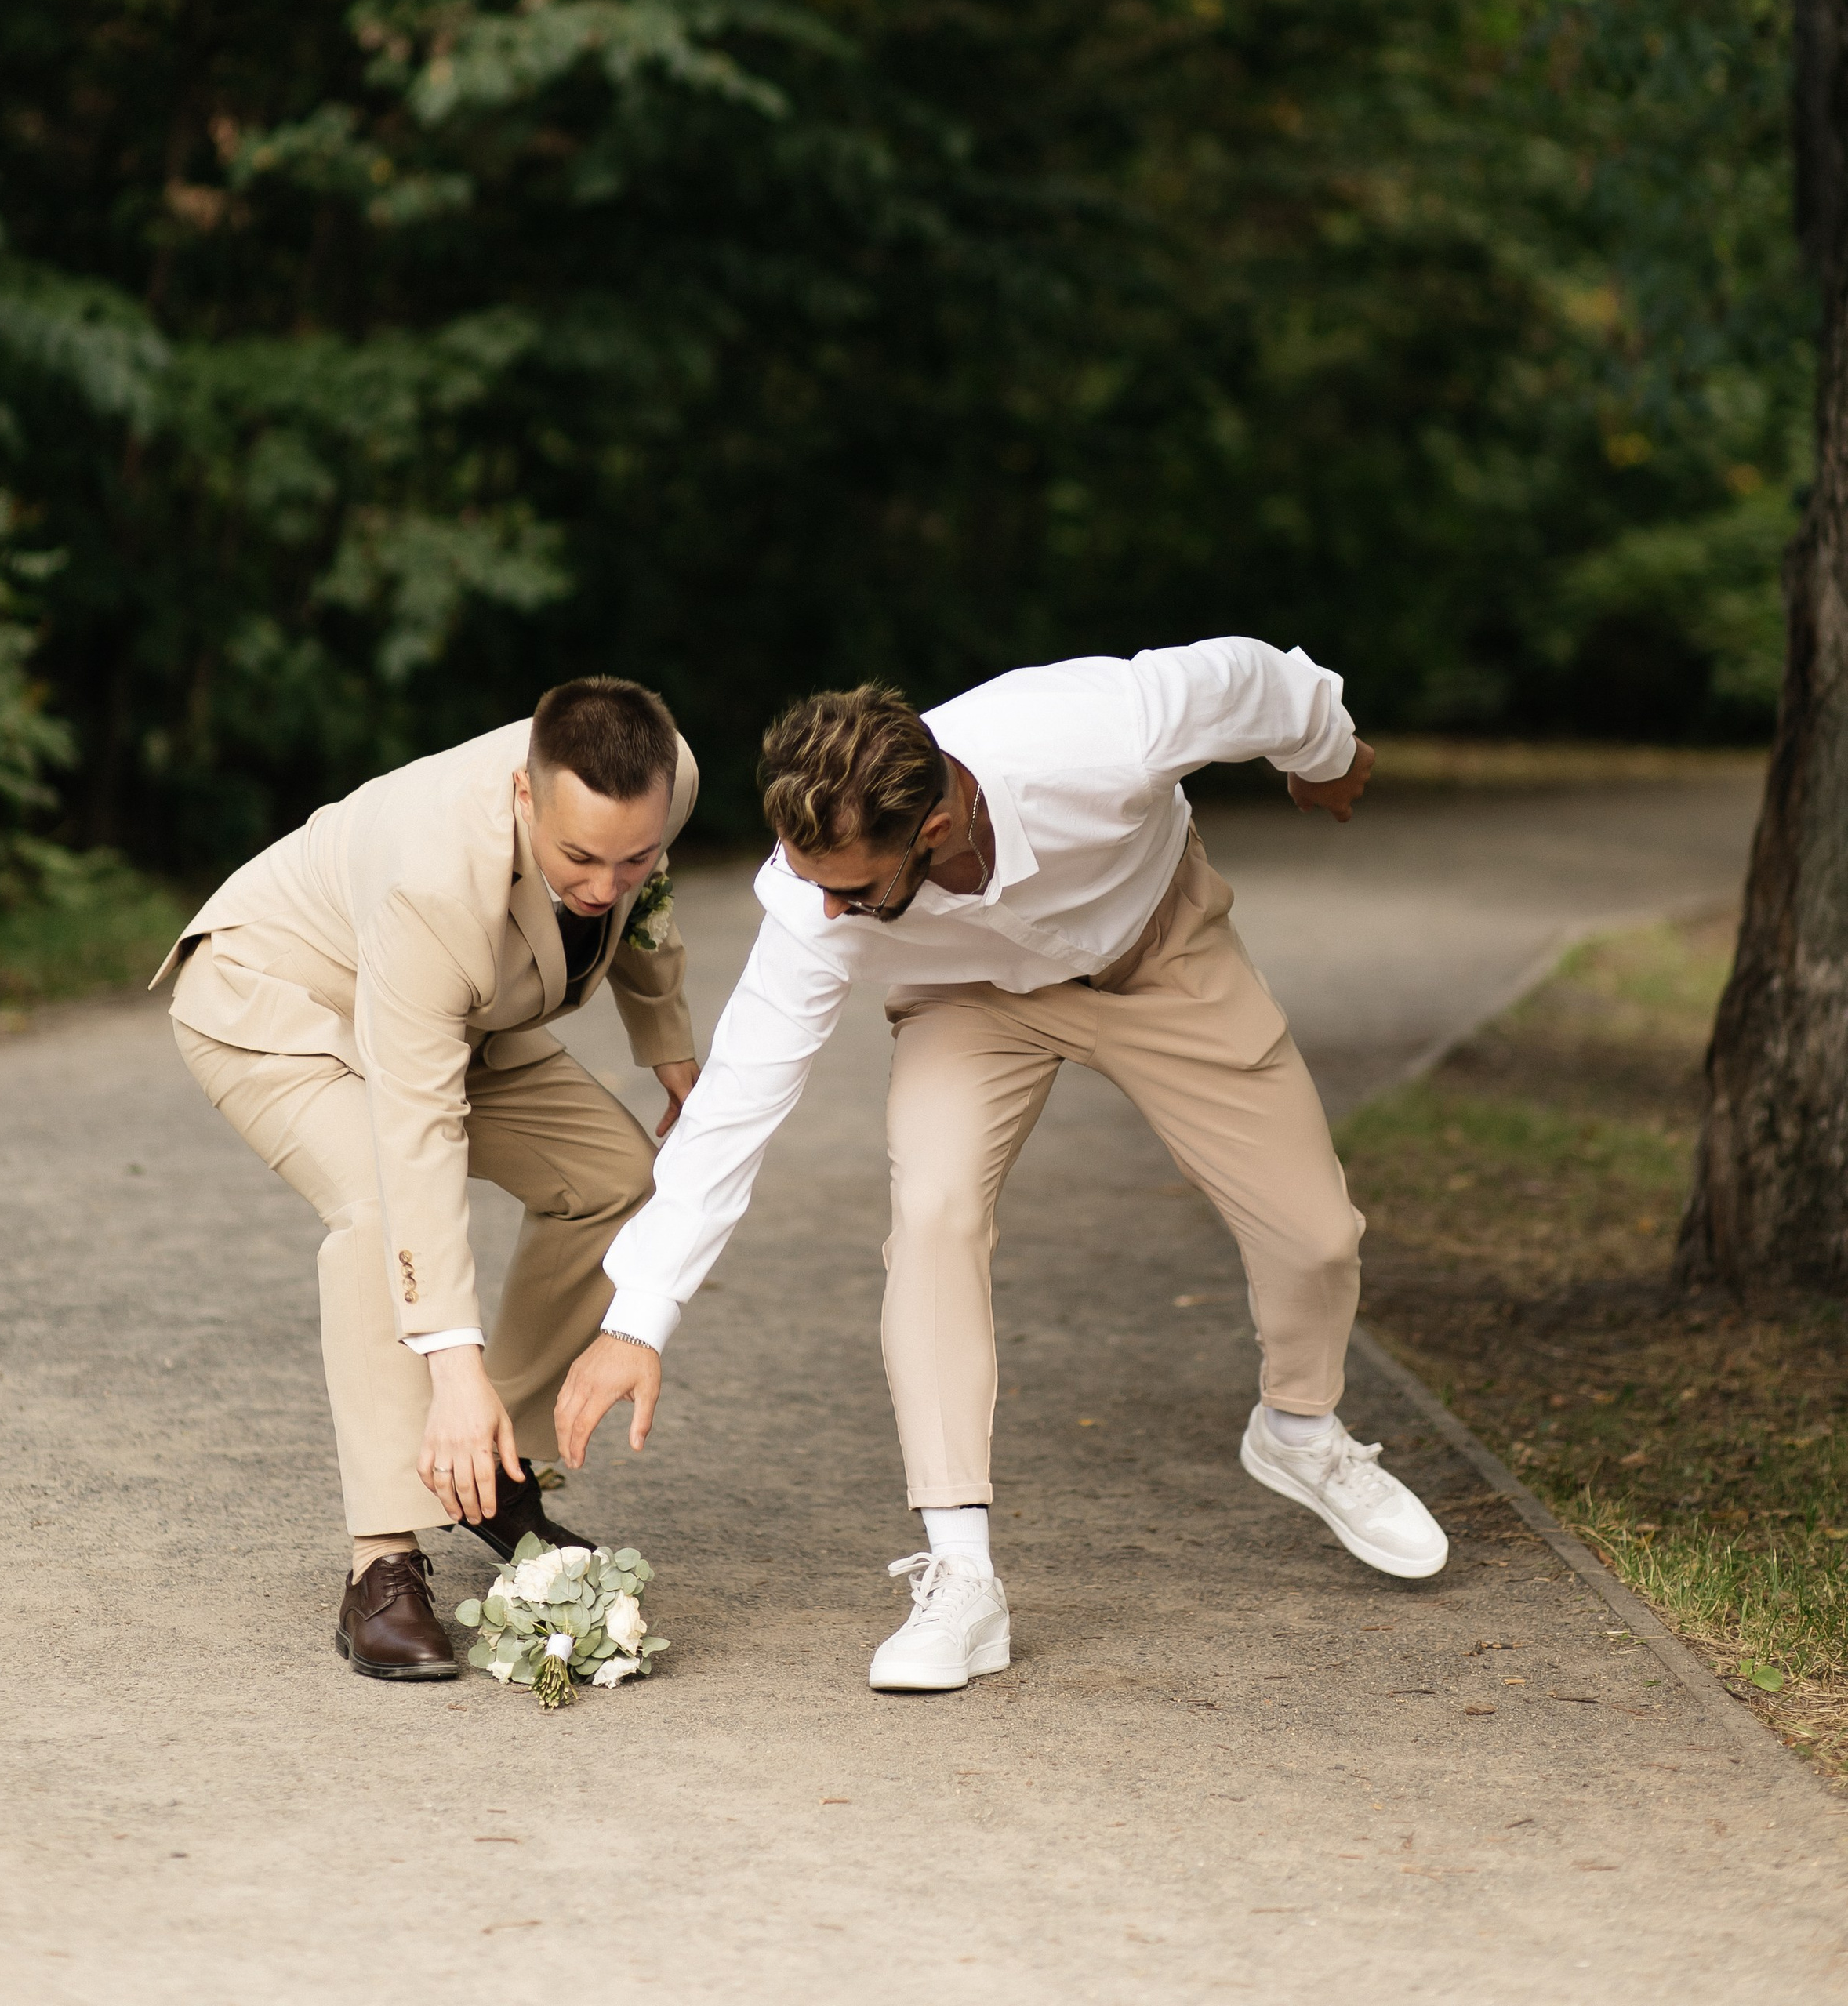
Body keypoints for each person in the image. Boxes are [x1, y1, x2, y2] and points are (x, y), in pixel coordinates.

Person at [557, 642, 1447, 1692]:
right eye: (810, 882)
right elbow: (738, 1107)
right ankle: (962, 1577)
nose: (825, 911)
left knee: (1318, 1234)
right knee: (931, 1214)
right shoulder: (814, 896)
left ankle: (1301, 1427)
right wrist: (637, 1319)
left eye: (850, 890)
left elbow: (1262, 681)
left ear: (932, 829)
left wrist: (1328, 753)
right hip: (967, 998)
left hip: (1158, 952)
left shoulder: (1102, 732)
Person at [157, 675, 700, 1680]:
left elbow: (646, 905)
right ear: (524, 797)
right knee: (374, 1212)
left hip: (456, 1014)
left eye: (632, 855)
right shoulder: (430, 875)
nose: (602, 883)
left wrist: (668, 1047)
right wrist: (452, 1366)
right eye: (578, 857)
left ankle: (488, 1471)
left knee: (616, 1172)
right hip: (284, 1001)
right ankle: (383, 1563)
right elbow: (416, 1135)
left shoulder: (662, 781)